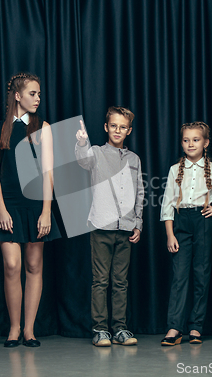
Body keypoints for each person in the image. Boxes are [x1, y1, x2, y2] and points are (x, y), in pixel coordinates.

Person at [0, 73, 61, 348]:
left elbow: (48, 172)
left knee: (33, 265)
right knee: (11, 265)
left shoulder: (44, 127)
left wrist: (46, 211)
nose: (38, 99)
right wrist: (1, 209)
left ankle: (29, 330)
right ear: (17, 96)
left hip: (35, 205)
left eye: (39, 94)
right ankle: (13, 328)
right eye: (33, 93)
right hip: (9, 205)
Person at [75, 107, 144, 346]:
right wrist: (82, 143)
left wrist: (138, 223)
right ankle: (100, 329)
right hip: (101, 226)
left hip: (125, 228)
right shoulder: (96, 153)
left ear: (129, 130)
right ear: (106, 127)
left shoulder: (134, 159)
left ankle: (120, 329)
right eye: (113, 125)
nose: (117, 130)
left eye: (122, 127)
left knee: (120, 281)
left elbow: (139, 192)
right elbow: (83, 161)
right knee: (101, 280)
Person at [160, 122, 212, 346]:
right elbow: (167, 203)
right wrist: (170, 234)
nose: (190, 144)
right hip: (181, 221)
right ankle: (174, 327)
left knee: (201, 274)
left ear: (205, 143)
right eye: (186, 140)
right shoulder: (174, 169)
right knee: (179, 277)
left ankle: (196, 327)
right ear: (181, 143)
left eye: (196, 140)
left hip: (204, 221)